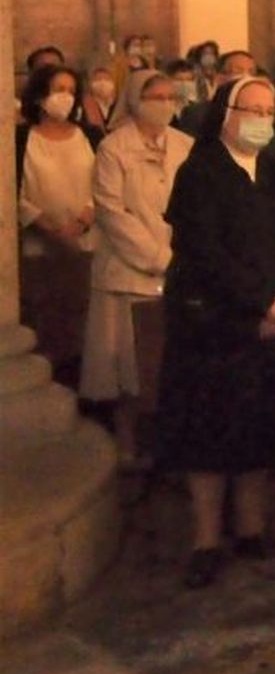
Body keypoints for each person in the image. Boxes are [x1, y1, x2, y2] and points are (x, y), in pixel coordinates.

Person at [156, 77, 275, 589]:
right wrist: (261, 303)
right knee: (209, 432)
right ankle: (206, 539)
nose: (262, 119)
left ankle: (251, 528)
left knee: (258, 429)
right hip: (214, 325)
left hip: (274, 324)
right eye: (252, 109)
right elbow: (204, 252)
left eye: (269, 111)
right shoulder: (200, 173)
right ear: (225, 113)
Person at [80, 69, 193, 463]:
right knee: (125, 368)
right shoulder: (114, 148)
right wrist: (160, 257)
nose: (164, 104)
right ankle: (127, 443)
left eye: (169, 96)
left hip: (180, 269)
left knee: (169, 365)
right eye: (155, 96)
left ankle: (172, 444)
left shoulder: (186, 145)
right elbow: (112, 212)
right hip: (128, 269)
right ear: (135, 99)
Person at [18, 66, 98, 258]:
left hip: (87, 243)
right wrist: (51, 230)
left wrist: (81, 223)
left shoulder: (90, 135)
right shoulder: (19, 138)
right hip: (36, 248)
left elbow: (103, 184)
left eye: (71, 91)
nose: (66, 97)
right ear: (39, 95)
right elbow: (14, 191)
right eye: (59, 90)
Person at [83, 66, 119, 141]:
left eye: (107, 79)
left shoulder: (119, 105)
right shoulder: (85, 105)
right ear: (90, 83)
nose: (102, 83)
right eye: (98, 79)